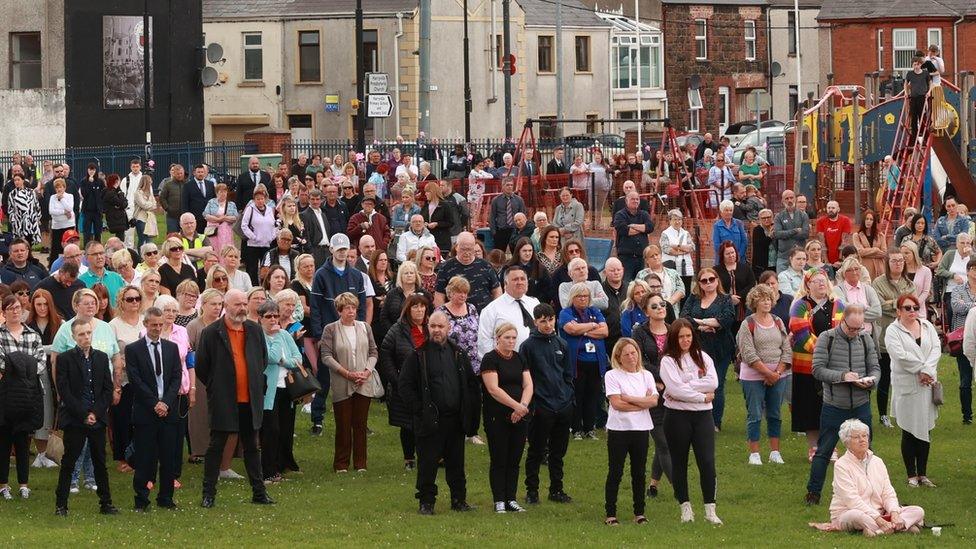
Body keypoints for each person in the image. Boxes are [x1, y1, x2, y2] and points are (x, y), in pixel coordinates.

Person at [196, 288, 271, 508]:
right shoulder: (212, 333)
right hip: (223, 399)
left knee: (252, 446)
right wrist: (216, 386)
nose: (242, 308)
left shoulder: (255, 330)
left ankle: (259, 492)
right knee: (216, 445)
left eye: (244, 304)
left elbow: (262, 360)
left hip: (250, 399)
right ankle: (208, 494)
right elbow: (202, 367)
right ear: (226, 307)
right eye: (237, 304)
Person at [398, 312, 477, 515]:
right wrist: (420, 410)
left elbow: (470, 384)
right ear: (428, 327)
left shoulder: (458, 354)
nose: (436, 330)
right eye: (432, 326)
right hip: (429, 421)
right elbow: (405, 386)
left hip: (455, 420)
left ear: (448, 328)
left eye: (440, 326)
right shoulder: (418, 355)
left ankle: (459, 500)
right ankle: (426, 502)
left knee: (456, 464)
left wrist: (469, 414)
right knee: (427, 464)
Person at [804, 303, 879, 506]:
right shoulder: (827, 338)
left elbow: (875, 367)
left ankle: (870, 493)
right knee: (824, 450)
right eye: (851, 328)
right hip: (834, 405)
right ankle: (813, 492)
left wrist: (871, 381)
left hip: (861, 403)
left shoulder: (865, 339)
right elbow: (817, 370)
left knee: (867, 450)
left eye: (859, 328)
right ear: (842, 320)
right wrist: (843, 376)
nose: (855, 332)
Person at [809, 419, 925, 536]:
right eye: (856, 437)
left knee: (918, 510)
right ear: (847, 442)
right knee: (857, 516)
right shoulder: (841, 465)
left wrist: (894, 513)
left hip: (880, 512)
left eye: (864, 436)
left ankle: (882, 530)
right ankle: (902, 526)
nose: (862, 440)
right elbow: (852, 500)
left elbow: (888, 492)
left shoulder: (877, 462)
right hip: (850, 512)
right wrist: (878, 519)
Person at [658, 318, 721, 524]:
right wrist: (701, 395)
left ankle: (710, 509)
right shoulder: (668, 361)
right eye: (681, 337)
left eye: (688, 336)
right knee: (679, 462)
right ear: (674, 339)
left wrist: (687, 384)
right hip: (677, 416)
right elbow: (674, 390)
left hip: (702, 416)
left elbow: (713, 381)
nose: (685, 340)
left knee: (707, 462)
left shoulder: (703, 358)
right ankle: (685, 506)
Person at [53, 318, 118, 516]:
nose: (86, 337)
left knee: (100, 461)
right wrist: (83, 414)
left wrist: (95, 413)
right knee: (69, 461)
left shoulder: (100, 357)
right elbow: (64, 391)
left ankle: (106, 503)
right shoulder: (64, 359)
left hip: (97, 418)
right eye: (81, 334)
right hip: (75, 418)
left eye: (88, 333)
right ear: (73, 337)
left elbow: (107, 389)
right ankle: (61, 505)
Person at [125, 307, 182, 511]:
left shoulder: (171, 348)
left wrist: (165, 402)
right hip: (145, 411)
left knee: (168, 457)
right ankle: (141, 499)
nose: (158, 328)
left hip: (168, 411)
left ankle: (166, 498)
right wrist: (154, 403)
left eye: (160, 325)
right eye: (154, 325)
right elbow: (136, 381)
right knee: (144, 458)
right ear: (146, 324)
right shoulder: (133, 350)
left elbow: (176, 377)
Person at [517, 303, 573, 506]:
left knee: (558, 452)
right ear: (535, 321)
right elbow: (525, 378)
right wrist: (534, 404)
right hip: (541, 406)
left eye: (550, 320)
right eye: (543, 321)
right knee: (536, 451)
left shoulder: (561, 344)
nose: (548, 324)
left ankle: (556, 489)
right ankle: (532, 491)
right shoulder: (527, 346)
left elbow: (568, 374)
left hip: (563, 404)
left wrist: (568, 398)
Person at [884, 293, 940, 488]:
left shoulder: (927, 326)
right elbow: (900, 355)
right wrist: (921, 370)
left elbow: (936, 349)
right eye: (907, 308)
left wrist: (927, 371)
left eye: (915, 308)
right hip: (907, 385)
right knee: (909, 430)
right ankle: (911, 475)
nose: (912, 312)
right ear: (898, 311)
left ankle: (923, 474)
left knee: (925, 428)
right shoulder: (893, 330)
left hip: (926, 384)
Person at [320, 292, 380, 473]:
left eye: (353, 308)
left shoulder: (364, 327)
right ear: (339, 310)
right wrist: (346, 373)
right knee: (343, 424)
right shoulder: (330, 329)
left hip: (364, 380)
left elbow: (373, 352)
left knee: (360, 424)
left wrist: (367, 372)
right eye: (347, 308)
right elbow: (326, 356)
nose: (351, 311)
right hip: (341, 381)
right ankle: (341, 464)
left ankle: (361, 463)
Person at [601, 337, 659, 526]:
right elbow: (617, 404)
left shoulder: (646, 375)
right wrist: (641, 403)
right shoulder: (612, 375)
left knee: (639, 472)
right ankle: (611, 513)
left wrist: (630, 399)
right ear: (619, 356)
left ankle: (639, 512)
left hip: (641, 429)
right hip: (619, 429)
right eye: (626, 354)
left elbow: (653, 401)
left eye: (633, 352)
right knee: (615, 472)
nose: (631, 357)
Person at [790, 269, 845, 464]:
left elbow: (843, 330)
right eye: (816, 281)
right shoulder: (800, 306)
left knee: (831, 406)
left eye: (824, 280)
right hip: (806, 366)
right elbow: (802, 334)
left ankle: (830, 446)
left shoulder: (838, 304)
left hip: (833, 366)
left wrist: (835, 354)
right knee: (809, 407)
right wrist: (825, 353)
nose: (821, 283)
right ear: (808, 285)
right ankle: (814, 447)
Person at [480, 322, 533, 514]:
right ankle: (499, 500)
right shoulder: (490, 359)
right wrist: (515, 406)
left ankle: (511, 498)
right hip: (497, 416)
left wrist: (523, 407)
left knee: (514, 458)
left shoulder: (519, 358)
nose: (511, 341)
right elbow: (493, 389)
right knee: (499, 458)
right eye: (507, 338)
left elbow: (528, 385)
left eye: (513, 338)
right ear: (498, 338)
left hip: (519, 417)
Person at [736, 285, 791, 465]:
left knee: (775, 413)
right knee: (755, 414)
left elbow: (786, 348)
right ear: (755, 302)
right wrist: (768, 373)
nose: (767, 302)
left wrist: (778, 372)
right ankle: (755, 453)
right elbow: (748, 353)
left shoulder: (778, 321)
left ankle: (775, 452)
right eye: (762, 299)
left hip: (779, 375)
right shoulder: (748, 324)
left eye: (769, 299)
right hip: (753, 376)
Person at [380, 293, 432, 470]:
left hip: (429, 385)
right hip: (405, 385)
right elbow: (386, 354)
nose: (419, 310)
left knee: (429, 422)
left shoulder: (431, 328)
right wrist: (396, 380)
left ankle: (430, 456)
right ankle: (409, 458)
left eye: (422, 306)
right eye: (415, 307)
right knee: (408, 424)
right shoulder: (397, 329)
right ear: (408, 310)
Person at [680, 267, 735, 430]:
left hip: (721, 348)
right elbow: (684, 318)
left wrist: (699, 322)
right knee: (696, 383)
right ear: (699, 283)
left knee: (716, 384)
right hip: (698, 346)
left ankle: (715, 422)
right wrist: (704, 324)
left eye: (712, 279)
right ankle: (698, 418)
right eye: (704, 280)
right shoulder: (694, 298)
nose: (709, 283)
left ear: (717, 280)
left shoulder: (725, 299)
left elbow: (726, 320)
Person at [0, 295, 44, 500]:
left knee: (23, 442)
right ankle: (3, 484)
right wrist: (23, 368)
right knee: (4, 441)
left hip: (28, 395)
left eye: (17, 307)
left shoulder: (33, 335)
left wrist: (17, 368)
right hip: (5, 395)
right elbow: (1, 365)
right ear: (4, 311)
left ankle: (24, 484)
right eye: (10, 308)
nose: (15, 311)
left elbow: (40, 363)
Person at [254, 300, 301, 485]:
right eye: (268, 316)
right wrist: (275, 341)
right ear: (260, 318)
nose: (273, 319)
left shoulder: (284, 334)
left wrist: (284, 361)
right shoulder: (260, 336)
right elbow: (270, 358)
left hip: (287, 388)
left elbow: (297, 358)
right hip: (269, 390)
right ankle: (268, 471)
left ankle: (282, 464)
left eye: (275, 315)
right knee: (270, 430)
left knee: (285, 428)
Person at [559, 283, 609, 439]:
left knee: (592, 395)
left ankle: (590, 428)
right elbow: (571, 330)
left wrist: (583, 330)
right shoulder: (566, 312)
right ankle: (576, 428)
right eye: (579, 296)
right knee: (577, 395)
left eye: (586, 296)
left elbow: (605, 331)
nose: (583, 299)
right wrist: (593, 326)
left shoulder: (595, 311)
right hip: (576, 362)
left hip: (595, 361)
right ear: (573, 298)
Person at [872, 251, 916, 428]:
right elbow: (880, 307)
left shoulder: (909, 283)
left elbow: (910, 307)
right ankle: (883, 414)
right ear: (887, 263)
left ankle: (904, 413)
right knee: (884, 377)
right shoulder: (878, 283)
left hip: (906, 336)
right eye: (894, 261)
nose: (898, 264)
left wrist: (894, 303)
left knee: (905, 377)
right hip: (885, 336)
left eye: (901, 260)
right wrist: (899, 304)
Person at [477, 265, 541, 357]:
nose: (520, 282)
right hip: (507, 363)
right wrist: (492, 365)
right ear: (505, 284)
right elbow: (484, 342)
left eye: (523, 279)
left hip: (536, 360)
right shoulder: (491, 309)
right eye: (515, 279)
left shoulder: (534, 303)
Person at [433, 232, 501, 310]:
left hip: (484, 315)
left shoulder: (485, 265)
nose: (467, 253)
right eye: (463, 249)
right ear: (456, 247)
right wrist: (443, 315)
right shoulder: (445, 267)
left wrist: (496, 310)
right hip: (456, 317)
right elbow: (439, 295)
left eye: (470, 249)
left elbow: (497, 290)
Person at [240, 186, 277, 285]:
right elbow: (244, 225)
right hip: (253, 245)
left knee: (265, 268)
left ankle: (265, 286)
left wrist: (272, 236)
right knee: (252, 268)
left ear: (265, 199)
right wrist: (253, 237)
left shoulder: (269, 210)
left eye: (262, 199)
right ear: (254, 200)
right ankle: (253, 287)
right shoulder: (250, 209)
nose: (260, 201)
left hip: (266, 244)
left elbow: (273, 225)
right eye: (258, 199)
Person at [613, 192, 655, 281]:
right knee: (626, 283)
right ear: (626, 200)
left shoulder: (644, 214)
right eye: (633, 199)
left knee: (641, 283)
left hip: (641, 256)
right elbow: (624, 230)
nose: (635, 201)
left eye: (637, 199)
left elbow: (650, 227)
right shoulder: (620, 215)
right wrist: (642, 228)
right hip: (626, 257)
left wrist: (633, 226)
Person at [715, 240, 756, 326]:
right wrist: (729, 298)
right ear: (722, 255)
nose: (731, 255)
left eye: (732, 252)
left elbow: (752, 284)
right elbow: (715, 287)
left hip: (742, 306)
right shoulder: (716, 270)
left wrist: (739, 296)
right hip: (723, 305)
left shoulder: (745, 268)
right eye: (727, 254)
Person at [659, 209, 695, 295]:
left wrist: (676, 246)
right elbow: (666, 248)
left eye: (679, 219)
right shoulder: (665, 233)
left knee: (686, 292)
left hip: (686, 267)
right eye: (675, 219)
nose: (677, 222)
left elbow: (692, 247)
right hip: (671, 266)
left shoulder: (686, 233)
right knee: (672, 291)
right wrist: (682, 251)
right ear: (670, 221)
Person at [773, 190, 810, 272]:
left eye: (791, 198)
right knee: (782, 283)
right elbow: (777, 234)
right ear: (782, 201)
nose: (789, 200)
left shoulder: (803, 215)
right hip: (783, 257)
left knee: (800, 283)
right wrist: (795, 230)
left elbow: (805, 234)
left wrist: (786, 233)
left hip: (800, 257)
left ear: (795, 199)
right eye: (786, 198)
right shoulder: (778, 216)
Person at [80, 241, 126, 307]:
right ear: (86, 257)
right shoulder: (81, 281)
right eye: (95, 254)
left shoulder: (116, 278)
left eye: (101, 253)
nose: (99, 257)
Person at [488, 178, 526, 251]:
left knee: (516, 253)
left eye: (511, 185)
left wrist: (522, 231)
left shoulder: (519, 200)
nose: (510, 187)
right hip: (501, 231)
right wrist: (494, 233)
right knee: (499, 255)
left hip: (515, 231)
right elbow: (492, 217)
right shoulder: (496, 200)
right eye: (507, 185)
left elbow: (523, 216)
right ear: (502, 186)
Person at [202, 183, 239, 258]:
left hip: (226, 231)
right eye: (221, 192)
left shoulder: (231, 204)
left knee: (225, 249)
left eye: (225, 192)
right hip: (213, 230)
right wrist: (219, 219)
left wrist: (224, 218)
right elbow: (206, 215)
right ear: (216, 193)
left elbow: (235, 217)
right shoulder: (211, 202)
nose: (223, 194)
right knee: (214, 248)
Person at [816, 200, 853, 268]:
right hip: (826, 258)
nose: (830, 210)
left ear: (838, 209)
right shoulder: (820, 221)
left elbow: (845, 242)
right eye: (829, 208)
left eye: (833, 208)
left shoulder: (845, 220)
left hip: (841, 258)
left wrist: (840, 260)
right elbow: (822, 242)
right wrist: (826, 261)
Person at [900, 241, 931, 318]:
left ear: (914, 253)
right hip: (901, 310)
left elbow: (925, 292)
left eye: (907, 253)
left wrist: (914, 304)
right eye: (902, 254)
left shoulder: (926, 271)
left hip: (919, 310)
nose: (904, 256)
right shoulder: (899, 270)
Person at [7, 174, 40, 245]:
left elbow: (36, 206)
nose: (16, 182)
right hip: (19, 223)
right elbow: (10, 209)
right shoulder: (12, 194)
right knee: (20, 244)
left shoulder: (31, 192)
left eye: (18, 180)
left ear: (23, 180)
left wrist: (37, 218)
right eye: (15, 180)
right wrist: (13, 220)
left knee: (29, 243)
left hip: (31, 222)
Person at [853, 210, 886, 281]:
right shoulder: (857, 236)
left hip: (879, 270)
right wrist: (876, 250)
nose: (868, 221)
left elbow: (884, 253)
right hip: (865, 269)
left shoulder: (880, 235)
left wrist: (866, 254)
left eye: (871, 219)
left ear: (874, 222)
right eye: (867, 219)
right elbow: (860, 252)